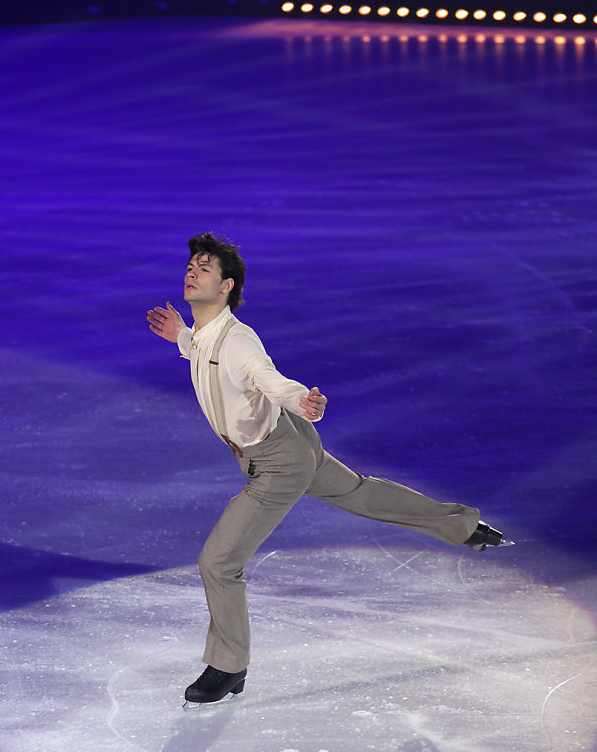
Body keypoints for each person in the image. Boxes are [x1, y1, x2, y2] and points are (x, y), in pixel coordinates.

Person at [147, 233, 508, 705]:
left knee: (218, 562)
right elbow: (202, 350)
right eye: (193, 263)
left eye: (206, 267)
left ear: (225, 285)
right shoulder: (206, 335)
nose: (194, 270)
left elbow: (266, 377)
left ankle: (228, 666)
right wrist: (178, 334)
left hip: (279, 463)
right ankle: (464, 527)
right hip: (291, 443)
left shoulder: (238, 340)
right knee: (360, 491)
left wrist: (302, 399)